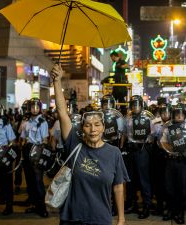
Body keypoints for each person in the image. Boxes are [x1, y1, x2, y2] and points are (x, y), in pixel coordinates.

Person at [51, 64, 129, 225]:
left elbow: (118, 187)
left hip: (100, 219)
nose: (93, 129)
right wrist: (57, 81)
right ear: (82, 129)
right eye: (88, 125)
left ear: (104, 128)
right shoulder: (74, 143)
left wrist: (121, 219)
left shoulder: (114, 153)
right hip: (71, 217)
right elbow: (62, 112)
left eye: (97, 125)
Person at [160, 103, 186, 224]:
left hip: (183, 161)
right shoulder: (167, 127)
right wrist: (172, 149)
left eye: (181, 114)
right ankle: (171, 210)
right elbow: (163, 143)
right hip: (171, 160)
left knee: (182, 188)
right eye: (176, 114)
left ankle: (180, 213)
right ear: (173, 115)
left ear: (185, 115)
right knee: (169, 187)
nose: (179, 116)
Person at [121, 95, 155, 219]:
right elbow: (124, 134)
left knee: (143, 178)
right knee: (130, 178)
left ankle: (146, 205)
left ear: (141, 106)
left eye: (137, 105)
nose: (135, 107)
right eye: (133, 105)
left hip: (142, 150)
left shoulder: (148, 117)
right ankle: (131, 203)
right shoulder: (127, 118)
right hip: (130, 150)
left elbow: (152, 135)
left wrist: (144, 143)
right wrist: (122, 147)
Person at [20, 98, 49, 217]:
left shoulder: (43, 122)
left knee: (38, 181)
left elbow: (45, 140)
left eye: (37, 107)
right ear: (29, 108)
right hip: (27, 150)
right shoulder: (26, 122)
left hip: (37, 150)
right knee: (30, 180)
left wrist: (40, 152)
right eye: (32, 107)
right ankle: (34, 205)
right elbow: (23, 137)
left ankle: (42, 208)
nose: (35, 109)